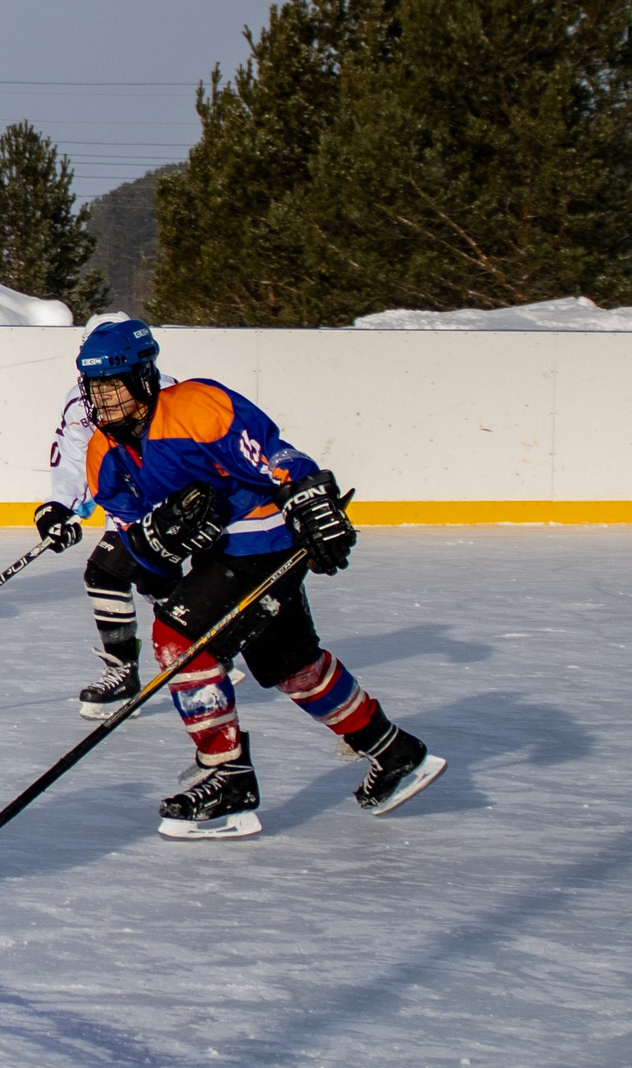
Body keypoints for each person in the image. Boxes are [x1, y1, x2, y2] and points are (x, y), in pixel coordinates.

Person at [75, 318, 445, 837]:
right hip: (221, 561)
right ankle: (396, 752)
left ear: (144, 378)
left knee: (178, 639)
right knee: (293, 666)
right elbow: (141, 548)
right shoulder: (103, 454)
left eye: (113, 383)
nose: (103, 397)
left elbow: (275, 455)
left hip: (264, 542)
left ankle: (228, 777)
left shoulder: (197, 406)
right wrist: (153, 545)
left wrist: (309, 494)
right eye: (93, 386)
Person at [32, 315, 179, 717]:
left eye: (111, 376)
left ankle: (203, 641)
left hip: (177, 511)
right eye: (93, 376)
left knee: (134, 573)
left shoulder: (172, 398)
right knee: (112, 572)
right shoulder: (80, 404)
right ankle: (125, 670)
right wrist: (61, 505)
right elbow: (78, 460)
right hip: (125, 508)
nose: (101, 390)